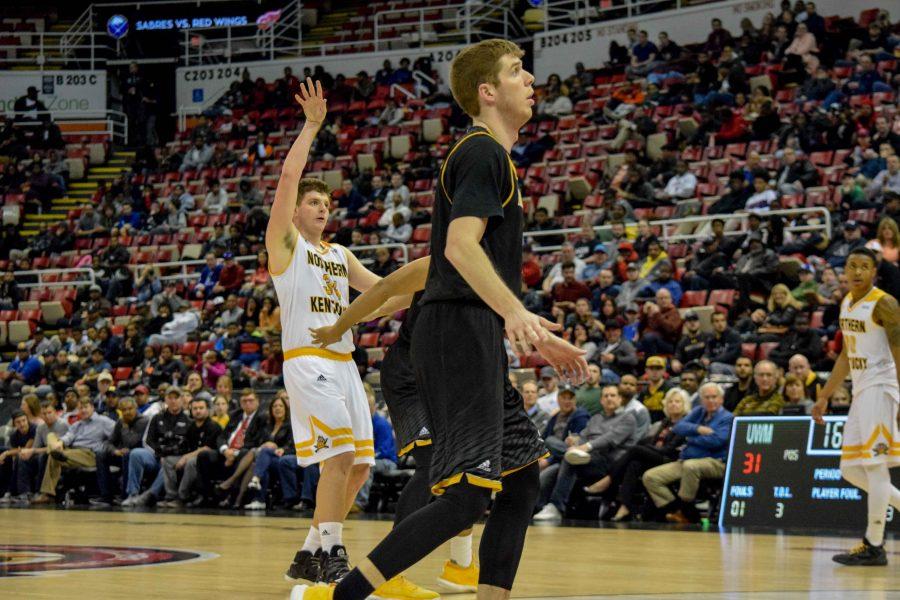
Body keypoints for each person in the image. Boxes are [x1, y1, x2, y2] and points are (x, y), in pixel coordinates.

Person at [292, 40, 586, 600]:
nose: (529, 80)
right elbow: (458, 246)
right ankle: (347, 593)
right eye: (516, 71)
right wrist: (517, 312)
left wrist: (531, 331)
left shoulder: (489, 157)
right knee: (467, 498)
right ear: (487, 91)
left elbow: (453, 263)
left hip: (471, 332)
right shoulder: (482, 153)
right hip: (456, 335)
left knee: (522, 483)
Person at [267, 79, 382, 586]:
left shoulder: (340, 255)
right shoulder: (285, 246)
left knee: (360, 467)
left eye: (326, 205)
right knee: (337, 457)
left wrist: (433, 288)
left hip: (345, 364)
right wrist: (313, 125)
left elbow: (382, 291)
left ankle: (310, 550)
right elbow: (289, 175)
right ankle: (334, 547)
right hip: (308, 359)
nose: (320, 208)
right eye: (312, 203)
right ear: (294, 213)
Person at [813, 247, 900, 566]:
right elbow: (846, 356)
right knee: (849, 469)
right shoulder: (847, 304)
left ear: (875, 272)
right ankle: (874, 542)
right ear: (844, 271)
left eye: (865, 267)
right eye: (852, 266)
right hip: (861, 391)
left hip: (882, 387)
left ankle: (874, 544)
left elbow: (899, 348)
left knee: (876, 467)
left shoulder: (885, 303)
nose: (858, 272)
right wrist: (824, 395)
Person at [533, 385, 639, 521]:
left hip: (609, 462)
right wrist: (575, 442)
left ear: (620, 399)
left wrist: (585, 447)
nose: (609, 399)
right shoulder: (596, 418)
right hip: (585, 458)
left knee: (569, 458)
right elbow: (583, 435)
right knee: (553, 464)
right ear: (601, 400)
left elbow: (609, 439)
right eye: (605, 396)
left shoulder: (628, 418)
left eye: (612, 395)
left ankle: (556, 507)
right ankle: (537, 507)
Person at [583, 387, 690, 522]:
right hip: (658, 455)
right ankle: (625, 505)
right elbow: (654, 442)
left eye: (677, 402)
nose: (673, 404)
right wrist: (649, 449)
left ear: (684, 404)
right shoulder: (665, 422)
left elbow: (669, 449)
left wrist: (648, 449)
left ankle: (608, 480)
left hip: (671, 458)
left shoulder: (685, 423)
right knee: (634, 464)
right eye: (670, 402)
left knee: (635, 450)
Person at [642, 382, 733, 524]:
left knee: (691, 466)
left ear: (721, 399)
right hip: (687, 460)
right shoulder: (698, 412)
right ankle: (680, 512)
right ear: (702, 400)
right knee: (650, 477)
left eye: (714, 397)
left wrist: (690, 437)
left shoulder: (727, 418)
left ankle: (686, 510)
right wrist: (698, 430)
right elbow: (678, 427)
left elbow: (716, 441)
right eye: (707, 397)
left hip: (716, 461)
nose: (710, 400)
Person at [31, 398, 115, 505]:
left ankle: (48, 494)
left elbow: (117, 432)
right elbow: (68, 436)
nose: (83, 410)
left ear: (92, 408)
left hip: (90, 454)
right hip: (73, 451)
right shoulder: (77, 424)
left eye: (86, 407)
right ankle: (56, 452)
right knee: (52, 440)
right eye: (80, 408)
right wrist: (60, 443)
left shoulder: (103, 421)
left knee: (55, 455)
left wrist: (111, 448)